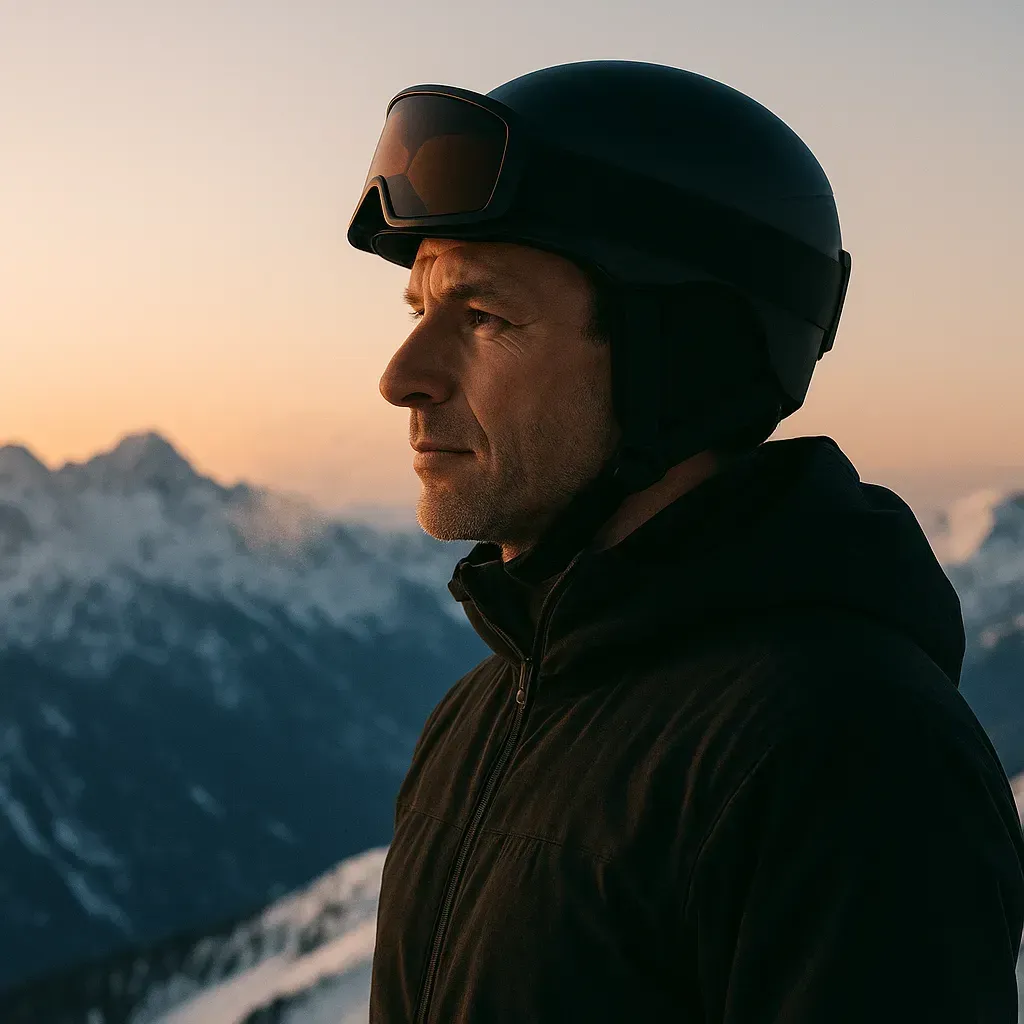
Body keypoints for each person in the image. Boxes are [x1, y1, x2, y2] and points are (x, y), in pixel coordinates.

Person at [347, 60, 1024, 1022]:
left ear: (681, 359)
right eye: (421, 312)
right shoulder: (485, 711)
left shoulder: (847, 756)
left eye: (486, 317)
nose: (403, 377)